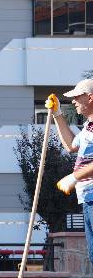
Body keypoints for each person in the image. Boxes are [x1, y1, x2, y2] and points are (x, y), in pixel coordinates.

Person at [48, 81, 93, 268]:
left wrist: (75, 177)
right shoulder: (88, 127)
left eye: (77, 97)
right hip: (87, 198)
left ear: (90, 97)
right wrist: (57, 114)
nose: (73, 101)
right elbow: (70, 145)